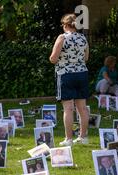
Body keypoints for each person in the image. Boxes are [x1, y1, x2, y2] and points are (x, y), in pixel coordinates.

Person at [49, 14, 90, 146]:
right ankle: (83, 137)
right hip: (82, 74)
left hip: (66, 75)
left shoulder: (62, 37)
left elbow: (53, 59)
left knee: (68, 109)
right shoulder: (83, 38)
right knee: (82, 108)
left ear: (65, 25)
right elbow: (86, 58)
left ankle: (69, 139)